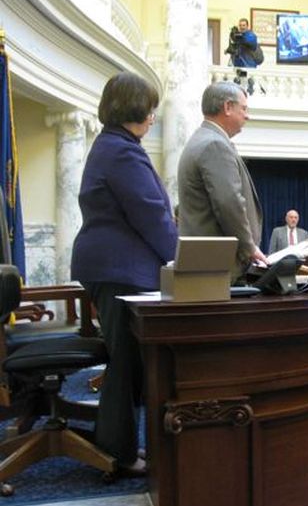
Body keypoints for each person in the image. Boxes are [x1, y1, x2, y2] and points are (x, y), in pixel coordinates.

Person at [71, 72, 178, 476]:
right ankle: (118, 453)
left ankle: (119, 447)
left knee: (127, 362)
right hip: (122, 270)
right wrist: (181, 261)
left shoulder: (113, 146)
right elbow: (151, 214)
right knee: (128, 364)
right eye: (150, 108)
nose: (153, 116)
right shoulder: (123, 152)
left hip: (114, 267)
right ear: (135, 108)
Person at [177, 81, 266, 281]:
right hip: (217, 268)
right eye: (243, 108)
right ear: (227, 107)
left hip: (208, 265)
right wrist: (249, 248)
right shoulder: (214, 145)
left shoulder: (204, 139)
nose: (247, 115)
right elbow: (229, 203)